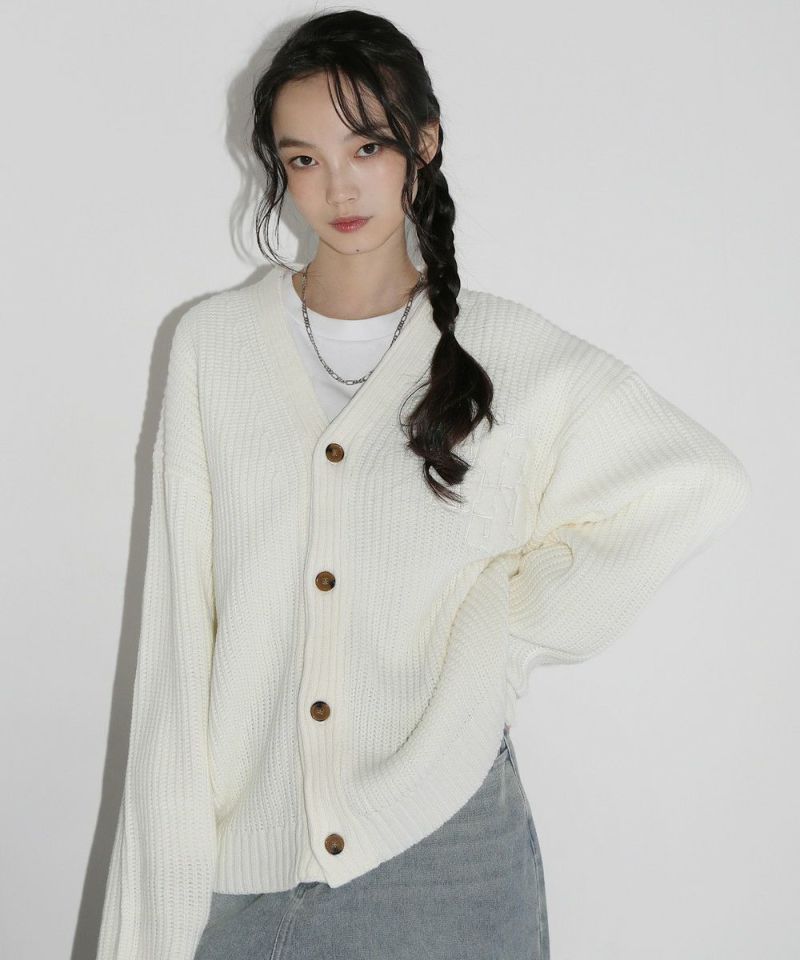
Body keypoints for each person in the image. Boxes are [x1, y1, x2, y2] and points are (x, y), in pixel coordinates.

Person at [95, 10, 751, 960]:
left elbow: (695, 482)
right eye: (305, 159)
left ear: (425, 143)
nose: (338, 186)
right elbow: (175, 653)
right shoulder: (213, 347)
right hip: (254, 863)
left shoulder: (506, 350)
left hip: (451, 853)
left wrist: (500, 627)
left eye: (367, 145)